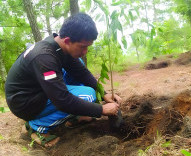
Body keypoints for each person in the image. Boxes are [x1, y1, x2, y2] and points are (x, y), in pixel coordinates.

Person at [5, 13, 121, 147]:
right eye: (83, 46)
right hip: (25, 103)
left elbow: (81, 73)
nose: (86, 51)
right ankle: (36, 127)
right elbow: (62, 100)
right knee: (88, 95)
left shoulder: (59, 46)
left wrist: (104, 93)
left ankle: (74, 116)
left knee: (79, 66)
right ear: (67, 40)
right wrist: (100, 110)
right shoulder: (44, 57)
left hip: (38, 89)